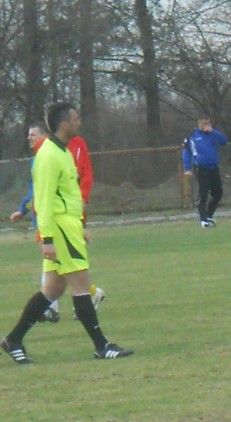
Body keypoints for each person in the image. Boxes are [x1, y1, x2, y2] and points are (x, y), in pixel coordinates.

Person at [1, 102, 133, 364]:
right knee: (82, 286)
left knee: (51, 290)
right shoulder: (49, 155)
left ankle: (13, 340)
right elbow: (44, 200)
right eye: (75, 118)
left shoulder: (62, 151)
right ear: (64, 124)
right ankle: (102, 346)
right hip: (60, 230)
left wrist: (79, 225)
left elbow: (68, 194)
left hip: (68, 227)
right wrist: (48, 239)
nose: (79, 122)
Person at [9, 123, 106, 323]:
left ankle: (83, 301)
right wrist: (24, 209)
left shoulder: (54, 153)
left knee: (67, 272)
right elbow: (36, 191)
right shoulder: (44, 155)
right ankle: (19, 335)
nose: (30, 138)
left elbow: (69, 187)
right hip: (47, 219)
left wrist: (79, 222)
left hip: (55, 222)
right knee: (55, 272)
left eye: (33, 134)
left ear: (45, 134)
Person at [182, 115, 228, 228]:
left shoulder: (212, 134)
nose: (207, 126)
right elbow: (186, 153)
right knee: (203, 194)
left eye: (208, 123)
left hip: (214, 168)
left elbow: (224, 141)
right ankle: (203, 219)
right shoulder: (193, 136)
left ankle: (209, 215)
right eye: (204, 124)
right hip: (202, 169)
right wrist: (187, 168)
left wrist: (214, 131)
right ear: (199, 124)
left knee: (218, 194)